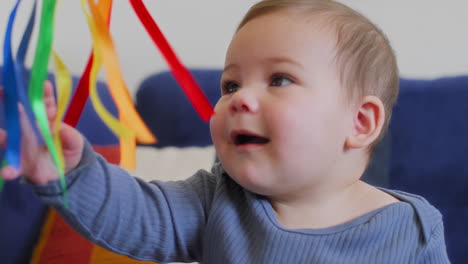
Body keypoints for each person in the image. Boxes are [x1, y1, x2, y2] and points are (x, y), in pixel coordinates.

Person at [0, 0, 449, 263]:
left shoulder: (411, 229)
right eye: (230, 84)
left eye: (279, 80)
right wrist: (66, 170)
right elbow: (135, 212)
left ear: (360, 123)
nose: (239, 98)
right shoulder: (217, 200)